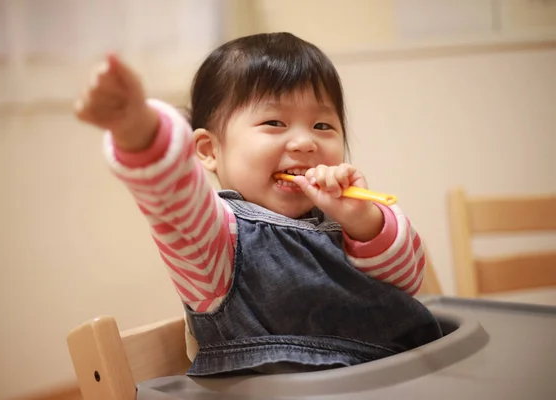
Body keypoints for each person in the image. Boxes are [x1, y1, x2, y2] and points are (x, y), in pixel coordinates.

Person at [75, 32, 442, 376]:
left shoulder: (345, 220)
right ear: (209, 150)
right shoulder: (215, 244)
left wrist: (366, 222)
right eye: (274, 121)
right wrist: (140, 130)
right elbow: (172, 194)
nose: (304, 142)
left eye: (322, 126)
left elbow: (408, 281)